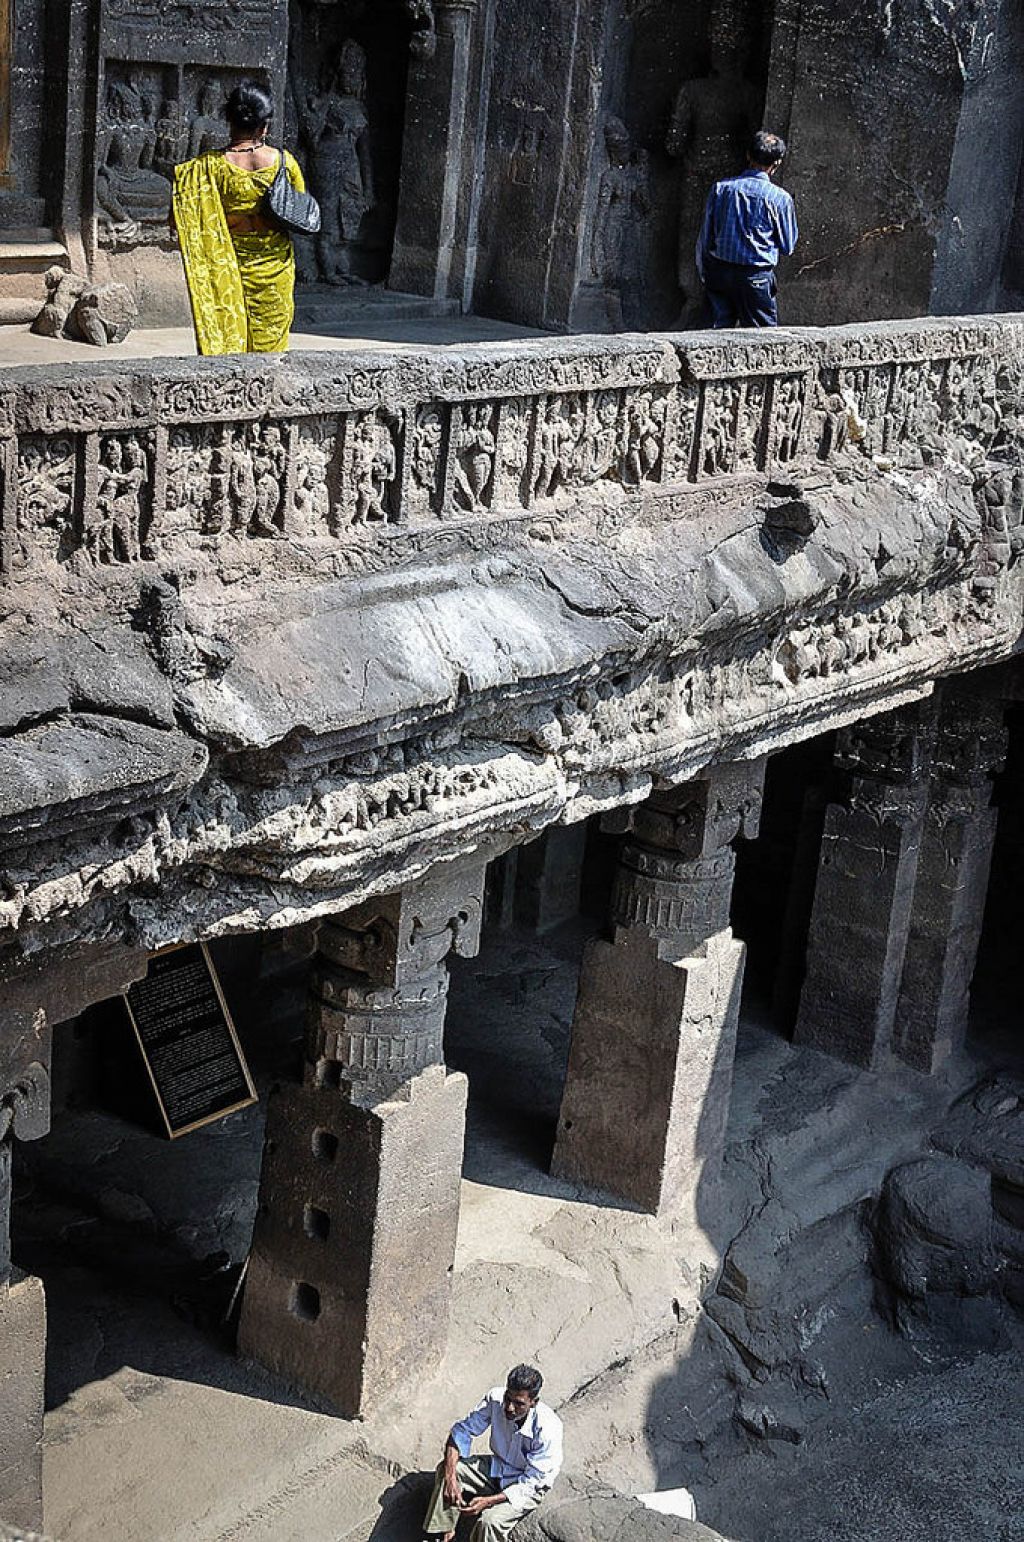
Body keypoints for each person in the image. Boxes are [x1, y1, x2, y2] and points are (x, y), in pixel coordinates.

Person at [171, 81, 306, 354]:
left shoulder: (207, 167)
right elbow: (301, 212)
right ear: (264, 126)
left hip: (225, 268)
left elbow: (178, 220)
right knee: (271, 348)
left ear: (228, 120)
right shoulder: (284, 162)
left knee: (228, 346)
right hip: (274, 268)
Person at [421, 1364, 563, 1541]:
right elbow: (461, 1432)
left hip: (528, 1485)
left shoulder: (547, 1428)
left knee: (489, 1522)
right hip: (499, 1466)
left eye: (519, 1403)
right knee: (449, 1468)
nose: (510, 1407)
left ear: (533, 1402)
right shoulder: (495, 1399)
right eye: (508, 1398)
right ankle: (444, 1534)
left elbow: (533, 1481)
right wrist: (451, 1478)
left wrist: (488, 1501)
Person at [695, 130, 798, 329]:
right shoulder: (780, 199)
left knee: (713, 337)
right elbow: (788, 246)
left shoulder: (721, 189)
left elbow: (706, 237)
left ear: (748, 156)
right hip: (756, 278)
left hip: (720, 273)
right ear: (776, 164)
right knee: (762, 341)